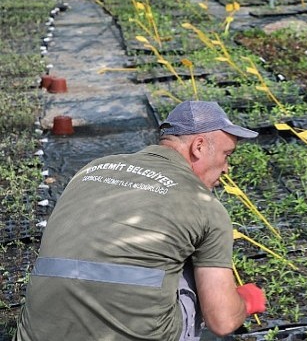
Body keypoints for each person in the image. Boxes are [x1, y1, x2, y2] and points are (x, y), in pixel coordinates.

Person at [15, 101, 267, 341]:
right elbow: (221, 321)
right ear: (198, 146)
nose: (226, 168)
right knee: (194, 260)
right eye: (226, 155)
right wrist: (245, 301)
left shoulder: (92, 169)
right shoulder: (204, 204)